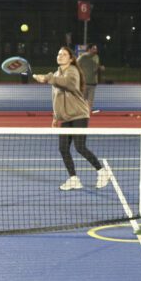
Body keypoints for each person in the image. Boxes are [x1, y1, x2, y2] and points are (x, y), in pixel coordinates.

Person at [33, 47, 111, 191]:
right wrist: (56, 117)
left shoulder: (73, 71)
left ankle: (102, 172)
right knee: (63, 148)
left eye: (64, 54)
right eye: (58, 54)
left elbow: (67, 84)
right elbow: (56, 97)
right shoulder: (57, 73)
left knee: (80, 147)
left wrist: (47, 78)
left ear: (70, 59)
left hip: (79, 114)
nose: (60, 56)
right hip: (66, 117)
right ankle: (74, 179)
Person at [76, 43, 104, 111]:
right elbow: (76, 66)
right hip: (84, 82)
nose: (96, 50)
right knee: (82, 99)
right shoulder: (82, 57)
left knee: (90, 101)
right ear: (89, 49)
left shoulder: (96, 57)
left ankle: (87, 114)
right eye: (94, 48)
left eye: (96, 48)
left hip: (93, 82)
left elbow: (96, 68)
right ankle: (79, 112)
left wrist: (100, 68)